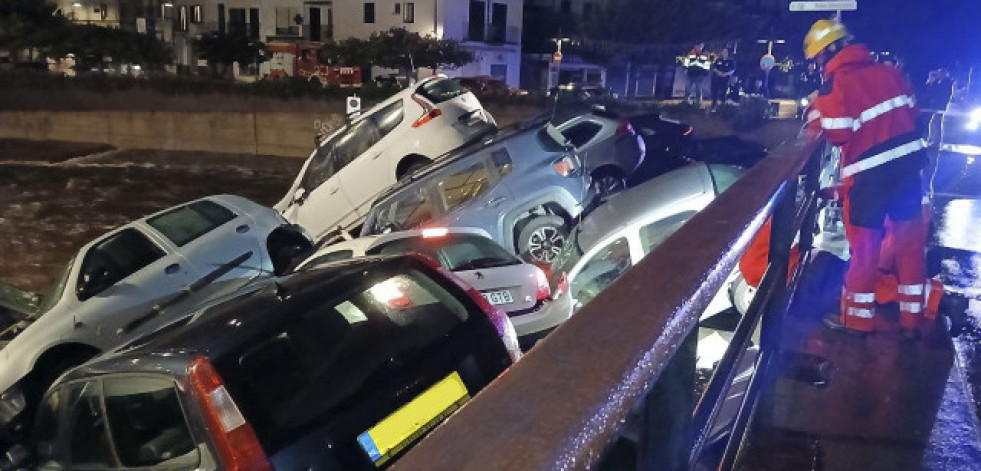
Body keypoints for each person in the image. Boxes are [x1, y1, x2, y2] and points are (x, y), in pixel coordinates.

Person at [803, 19, 930, 339]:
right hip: (907, 171)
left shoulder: (834, 86)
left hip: (869, 179)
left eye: (818, 58)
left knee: (865, 251)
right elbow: (912, 114)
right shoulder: (890, 71)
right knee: (910, 245)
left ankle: (858, 322)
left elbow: (839, 133)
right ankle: (912, 322)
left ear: (828, 52)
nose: (818, 65)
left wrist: (816, 109)